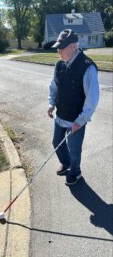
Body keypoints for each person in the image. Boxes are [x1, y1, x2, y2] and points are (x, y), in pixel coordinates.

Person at [47, 29, 99, 186]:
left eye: (62, 47)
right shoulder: (59, 65)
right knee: (56, 142)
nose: (59, 51)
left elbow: (92, 98)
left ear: (74, 47)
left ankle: (75, 172)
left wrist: (81, 120)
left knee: (74, 149)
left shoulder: (87, 67)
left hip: (76, 120)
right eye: (58, 47)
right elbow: (54, 86)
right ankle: (66, 163)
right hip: (61, 115)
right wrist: (51, 103)